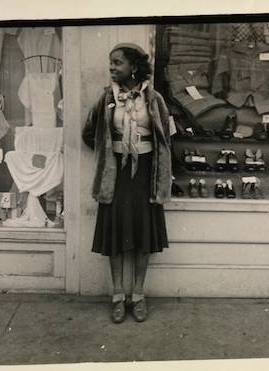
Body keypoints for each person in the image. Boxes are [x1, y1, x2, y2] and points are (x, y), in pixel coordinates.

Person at [82, 43, 172, 323]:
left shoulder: (154, 99)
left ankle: (139, 296)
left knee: (143, 238)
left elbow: (166, 135)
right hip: (116, 176)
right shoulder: (108, 98)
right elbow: (89, 133)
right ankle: (119, 297)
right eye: (111, 62)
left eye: (117, 62)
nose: (112, 67)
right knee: (117, 236)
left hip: (146, 173)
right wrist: (110, 151)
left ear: (134, 67)